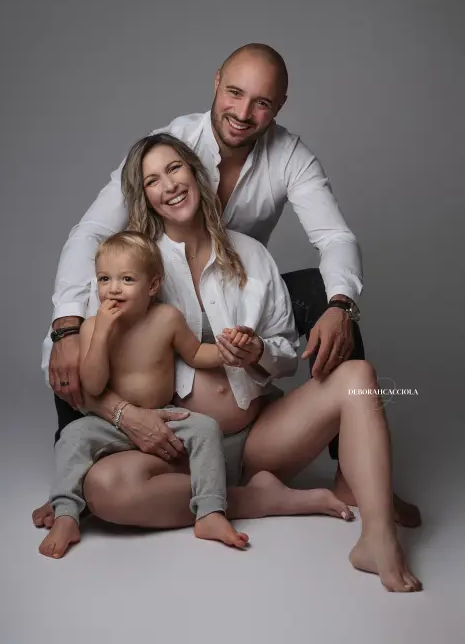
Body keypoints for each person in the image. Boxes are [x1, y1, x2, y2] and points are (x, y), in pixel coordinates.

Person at [33, 41, 419, 529]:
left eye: (262, 102)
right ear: (216, 82)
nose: (242, 113)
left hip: (240, 284)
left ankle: (358, 473)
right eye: (234, 93)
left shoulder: (288, 157)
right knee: (84, 329)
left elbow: (335, 238)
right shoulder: (171, 146)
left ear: (279, 106)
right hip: (165, 286)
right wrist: (66, 329)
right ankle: (71, 482)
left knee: (331, 300)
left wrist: (341, 306)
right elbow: (91, 233)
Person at [52, 134, 421, 591]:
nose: (169, 185)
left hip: (261, 439)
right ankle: (255, 499)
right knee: (105, 489)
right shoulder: (131, 266)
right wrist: (127, 416)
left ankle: (379, 538)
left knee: (358, 376)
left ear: (196, 173)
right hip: (178, 450)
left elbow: (285, 356)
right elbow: (85, 365)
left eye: (175, 169)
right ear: (143, 196)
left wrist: (258, 352)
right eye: (152, 180)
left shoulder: (250, 253)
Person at [39, 230, 266, 558]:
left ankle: (210, 512)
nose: (113, 289)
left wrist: (226, 352)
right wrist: (101, 334)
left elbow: (195, 354)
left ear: (153, 285)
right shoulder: (91, 327)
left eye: (127, 279)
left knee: (206, 428)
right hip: (110, 423)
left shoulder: (167, 319)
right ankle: (66, 515)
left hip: (163, 416)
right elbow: (93, 386)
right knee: (72, 436)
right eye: (104, 279)